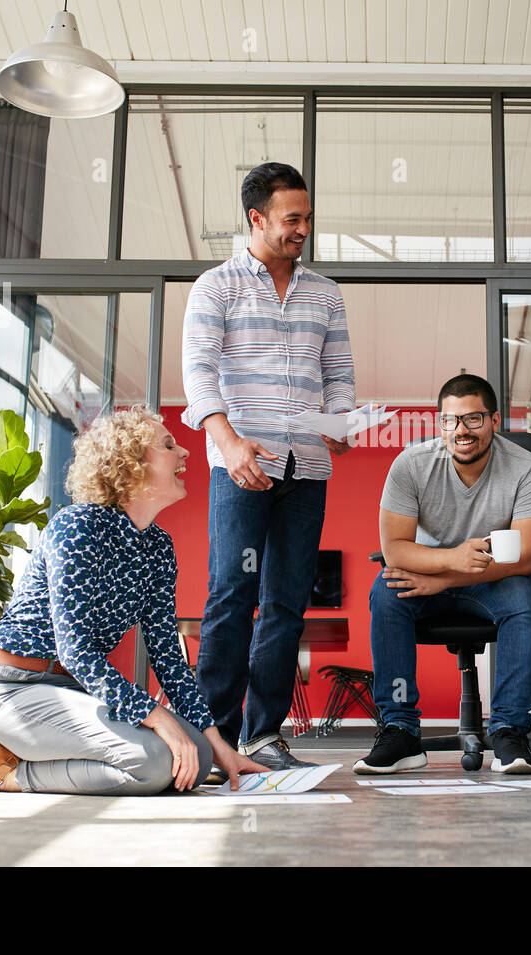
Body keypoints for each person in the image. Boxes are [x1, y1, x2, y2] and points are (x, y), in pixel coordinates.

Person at [0, 406, 268, 794]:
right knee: (156, 763)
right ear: (131, 464)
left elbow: (168, 659)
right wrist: (158, 717)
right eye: (169, 446)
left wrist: (220, 744)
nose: (185, 453)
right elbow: (75, 652)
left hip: (72, 691)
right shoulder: (76, 527)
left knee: (201, 756)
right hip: (11, 688)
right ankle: (8, 773)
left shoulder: (158, 547)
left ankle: (21, 752)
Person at [182, 161, 355, 771]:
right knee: (231, 595)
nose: (303, 228)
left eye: (307, 217)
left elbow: (338, 377)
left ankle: (264, 736)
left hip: (306, 471)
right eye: (292, 218)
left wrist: (341, 425)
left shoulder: (325, 294)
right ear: (256, 219)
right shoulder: (217, 287)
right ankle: (215, 740)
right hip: (241, 466)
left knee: (286, 604)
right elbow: (199, 375)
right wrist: (227, 444)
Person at [355, 374, 531, 775]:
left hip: (494, 578)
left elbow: (528, 557)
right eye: (450, 420)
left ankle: (509, 732)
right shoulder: (411, 464)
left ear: (495, 420)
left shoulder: (526, 467)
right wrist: (451, 559)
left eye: (473, 419)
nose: (461, 431)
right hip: (433, 571)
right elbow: (395, 549)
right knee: (386, 589)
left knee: (523, 597)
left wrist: (444, 578)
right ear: (440, 423)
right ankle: (401, 732)